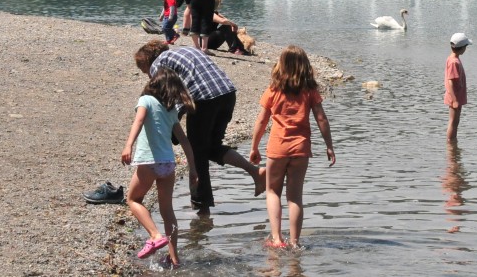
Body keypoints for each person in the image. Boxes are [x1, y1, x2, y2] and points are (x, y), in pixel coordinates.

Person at [134, 41, 265, 216]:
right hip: (227, 93)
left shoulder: (159, 64)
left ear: (148, 62)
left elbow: (168, 99)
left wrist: (171, 127)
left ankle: (202, 209)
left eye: (145, 72)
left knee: (197, 155)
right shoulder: (186, 50)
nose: (148, 76)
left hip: (203, 100)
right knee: (212, 147)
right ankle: (255, 171)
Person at [250, 45, 335, 249]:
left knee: (272, 192)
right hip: (301, 149)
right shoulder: (309, 91)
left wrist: (254, 147)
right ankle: (295, 243)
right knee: (295, 197)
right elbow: (321, 119)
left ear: (281, 65)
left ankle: (277, 239)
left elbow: (261, 121)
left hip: (278, 148)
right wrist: (329, 146)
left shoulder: (273, 90)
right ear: (305, 66)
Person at [121, 69, 198, 266]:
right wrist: (193, 169)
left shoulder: (145, 100)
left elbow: (138, 121)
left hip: (149, 161)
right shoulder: (171, 111)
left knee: (133, 199)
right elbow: (185, 142)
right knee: (167, 211)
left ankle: (155, 235)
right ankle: (174, 258)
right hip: (168, 164)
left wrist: (128, 144)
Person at [444, 32, 471, 142]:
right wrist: (454, 100)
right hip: (454, 96)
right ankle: (451, 142)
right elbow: (450, 82)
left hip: (457, 95)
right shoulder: (454, 62)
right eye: (466, 47)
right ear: (462, 48)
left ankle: (453, 142)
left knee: (455, 121)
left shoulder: (453, 58)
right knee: (453, 122)